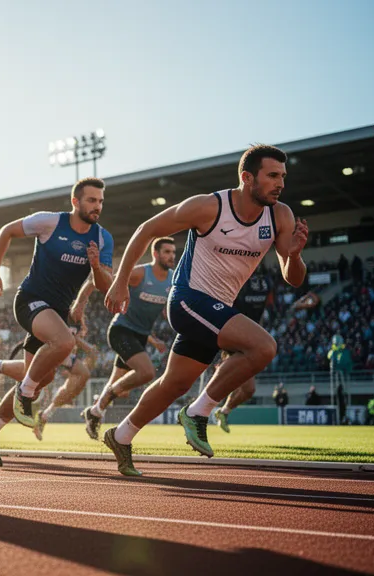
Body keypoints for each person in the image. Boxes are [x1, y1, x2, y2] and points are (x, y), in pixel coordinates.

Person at [103, 144, 308, 476]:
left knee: (174, 384)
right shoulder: (208, 207)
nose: (280, 183)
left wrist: (295, 256)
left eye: (283, 176)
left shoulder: (280, 216)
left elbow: (294, 278)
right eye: (272, 176)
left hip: (216, 310)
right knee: (263, 347)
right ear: (247, 177)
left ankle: (120, 435)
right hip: (188, 300)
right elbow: (146, 229)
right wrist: (121, 281)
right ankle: (199, 412)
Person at [0, 177, 113, 466]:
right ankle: (23, 393)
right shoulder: (50, 222)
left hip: (56, 312)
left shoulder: (102, 238)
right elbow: (7, 231)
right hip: (30, 300)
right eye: (91, 200)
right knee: (63, 344)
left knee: (40, 377)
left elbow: (105, 284)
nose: (97, 206)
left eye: (100, 201)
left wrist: (96, 266)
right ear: (75, 201)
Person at [79, 237, 175, 440]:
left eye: (173, 252)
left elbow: (160, 314)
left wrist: (154, 339)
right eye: (167, 252)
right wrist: (85, 295)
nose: (171, 256)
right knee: (146, 372)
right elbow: (110, 282)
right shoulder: (140, 273)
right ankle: (107, 397)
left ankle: (94, 412)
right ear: (155, 254)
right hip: (121, 331)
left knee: (117, 383)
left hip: (140, 336)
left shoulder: (172, 279)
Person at [214, 266, 273, 432]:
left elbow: (260, 311)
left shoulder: (265, 282)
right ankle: (199, 409)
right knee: (240, 384)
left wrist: (259, 335)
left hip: (250, 340)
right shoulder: (234, 279)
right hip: (234, 335)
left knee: (248, 390)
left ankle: (223, 411)